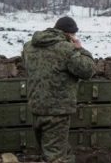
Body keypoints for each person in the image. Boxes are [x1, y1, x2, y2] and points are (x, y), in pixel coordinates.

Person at [22, 16, 96, 163]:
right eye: (73, 35)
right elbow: (87, 70)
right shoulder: (67, 49)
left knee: (48, 151)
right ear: (69, 34)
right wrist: (80, 48)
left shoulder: (28, 46)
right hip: (57, 112)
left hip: (36, 108)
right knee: (56, 156)